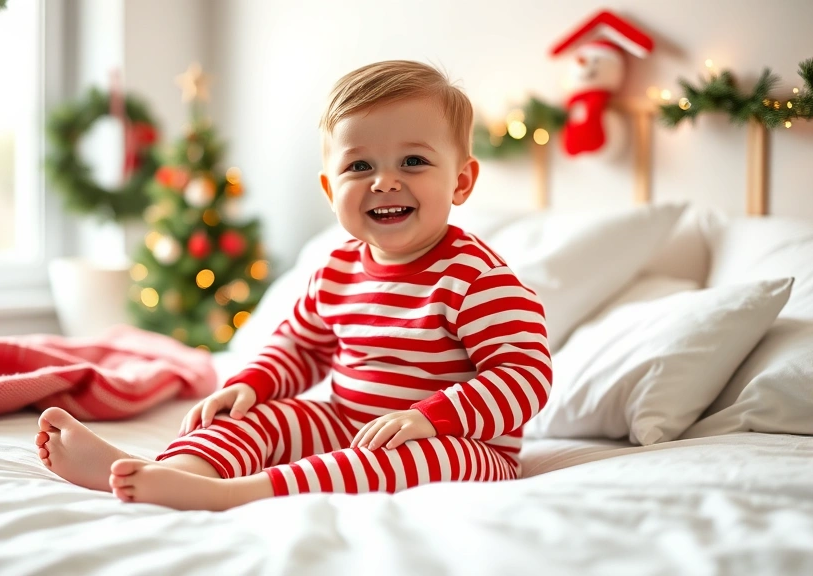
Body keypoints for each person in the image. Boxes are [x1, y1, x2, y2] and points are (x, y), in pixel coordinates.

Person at [35, 60, 551, 511]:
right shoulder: (337, 269)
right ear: (331, 189)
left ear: (461, 181)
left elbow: (524, 376)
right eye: (359, 165)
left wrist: (430, 418)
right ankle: (179, 471)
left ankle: (238, 493)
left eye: (413, 161)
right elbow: (300, 346)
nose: (384, 181)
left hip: (457, 444)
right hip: (346, 420)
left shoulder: (477, 278)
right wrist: (250, 384)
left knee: (409, 459)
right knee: (262, 417)